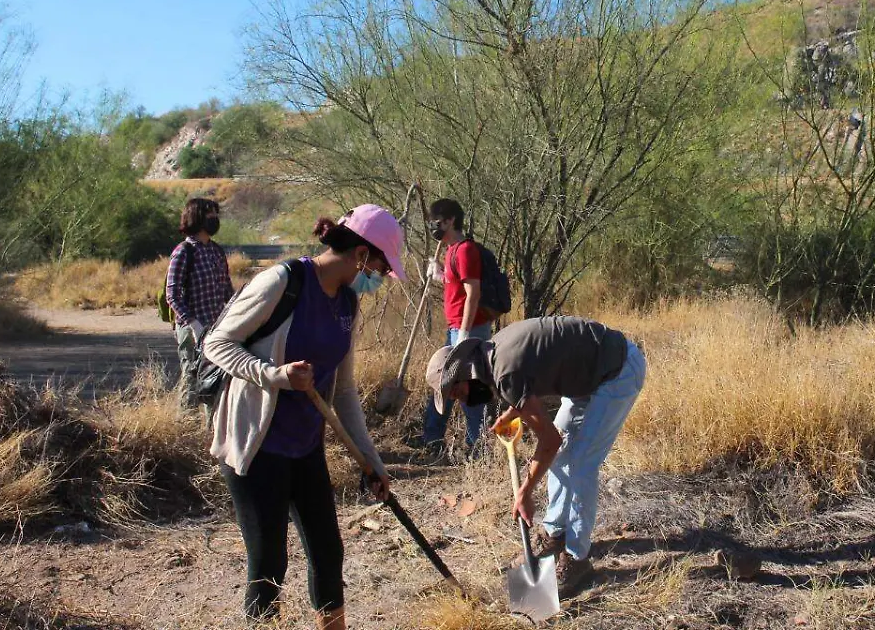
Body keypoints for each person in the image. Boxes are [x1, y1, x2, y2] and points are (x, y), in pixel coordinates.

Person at [203, 204, 407, 629]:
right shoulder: (284, 281)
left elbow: (345, 393)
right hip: (256, 445)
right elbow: (217, 343)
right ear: (362, 255)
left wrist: (371, 461)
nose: (381, 278)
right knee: (269, 562)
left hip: (305, 445)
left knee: (328, 553)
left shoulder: (349, 304)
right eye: (382, 267)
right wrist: (274, 375)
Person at [424, 316, 647, 595]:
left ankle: (577, 557)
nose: (460, 400)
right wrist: (512, 411)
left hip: (617, 370)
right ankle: (554, 534)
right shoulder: (491, 355)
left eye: (456, 393)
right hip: (587, 378)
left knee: (579, 464)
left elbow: (549, 440)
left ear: (464, 375)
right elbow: (530, 376)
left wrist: (525, 491)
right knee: (565, 456)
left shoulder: (504, 372)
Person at [417, 198, 494, 460]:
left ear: (450, 220)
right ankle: (432, 439)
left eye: (436, 221)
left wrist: (464, 332)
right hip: (456, 328)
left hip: (469, 331)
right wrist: (438, 275)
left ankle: (478, 449)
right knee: (445, 385)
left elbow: (473, 293)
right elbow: (457, 287)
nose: (432, 226)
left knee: (469, 389)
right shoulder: (451, 250)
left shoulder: (465, 250)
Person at [165, 197, 233, 411]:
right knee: (191, 379)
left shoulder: (216, 251)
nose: (215, 218)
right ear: (197, 217)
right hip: (192, 329)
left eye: (216, 214)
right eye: (210, 214)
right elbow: (172, 295)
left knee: (213, 382)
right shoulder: (184, 251)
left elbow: (227, 292)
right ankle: (183, 430)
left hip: (215, 328)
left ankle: (208, 431)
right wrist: (194, 324)